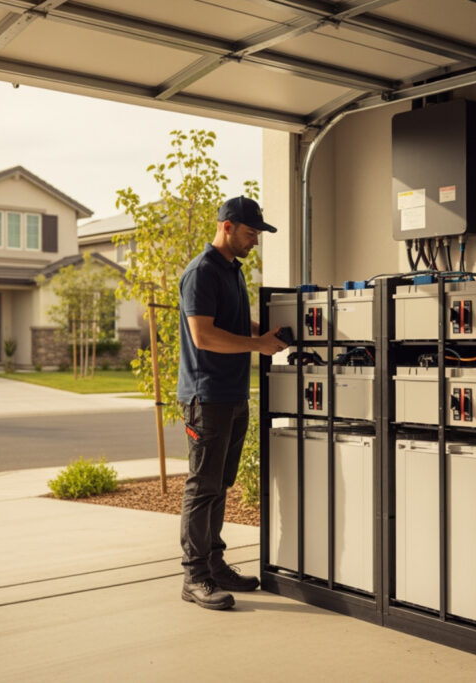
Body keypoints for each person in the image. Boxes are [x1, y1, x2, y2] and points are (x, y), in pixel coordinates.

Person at [177, 196, 288, 610]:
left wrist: (266, 333)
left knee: (220, 486)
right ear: (226, 227)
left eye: (257, 234)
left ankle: (216, 566)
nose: (254, 241)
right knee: (202, 488)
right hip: (206, 397)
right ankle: (195, 577)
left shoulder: (232, 272)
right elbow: (203, 335)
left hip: (233, 395)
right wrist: (255, 344)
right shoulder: (202, 272)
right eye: (249, 233)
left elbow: (234, 325)